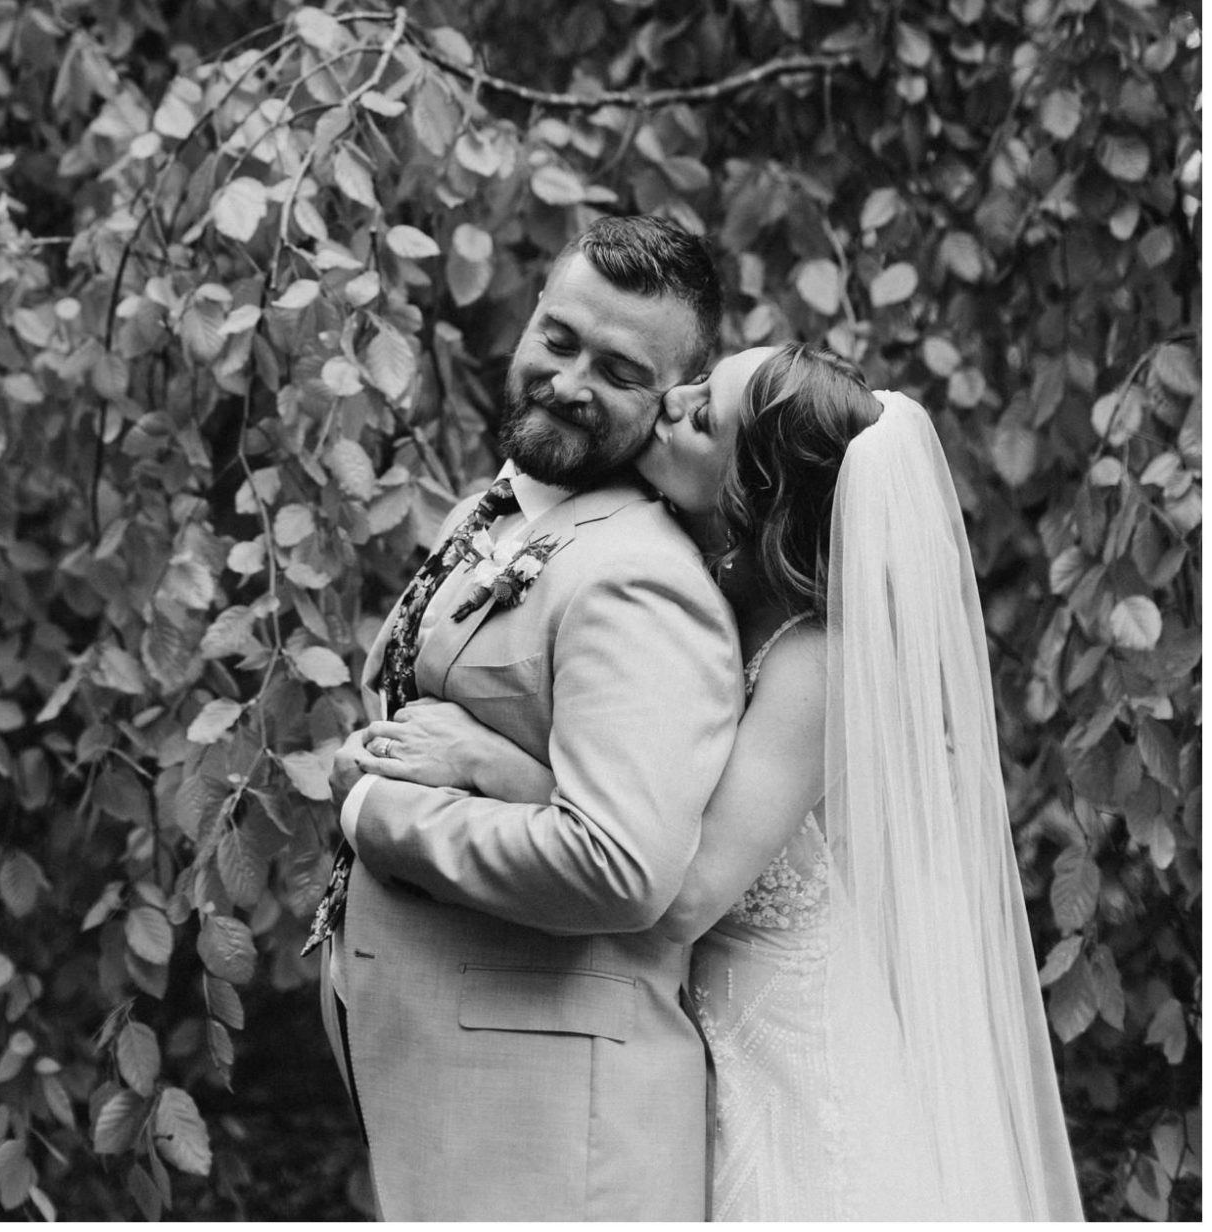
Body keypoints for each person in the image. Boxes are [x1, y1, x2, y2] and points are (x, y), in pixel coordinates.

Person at [357, 343, 1085, 1222]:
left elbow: (687, 891)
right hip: (669, 1034)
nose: (671, 401)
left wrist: (489, 764)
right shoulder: (685, 575)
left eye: (703, 417)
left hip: (778, 1055)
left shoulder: (821, 653)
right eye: (699, 383)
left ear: (756, 496)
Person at [315, 215, 743, 1222]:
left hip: (558, 1144)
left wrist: (372, 811)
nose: (568, 380)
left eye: (619, 369)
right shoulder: (497, 508)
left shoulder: (637, 578)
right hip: (464, 1099)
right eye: (559, 338)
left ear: (674, 395)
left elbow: (617, 864)